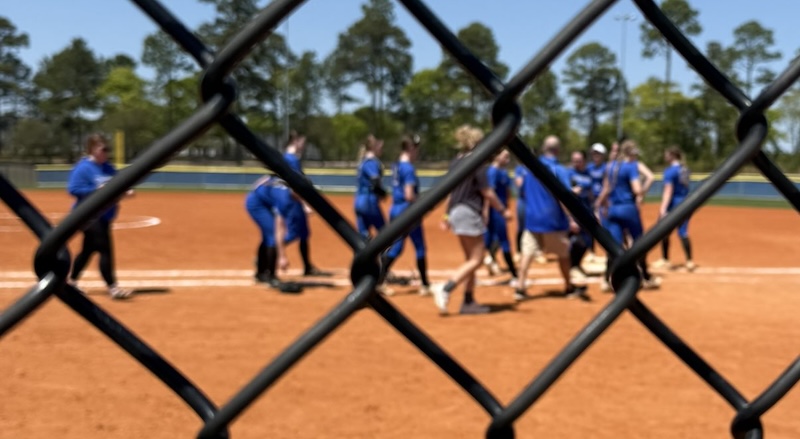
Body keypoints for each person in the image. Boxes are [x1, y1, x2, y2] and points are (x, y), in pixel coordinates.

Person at [431, 125, 510, 315]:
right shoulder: (477, 162)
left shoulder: (456, 161)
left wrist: (447, 215)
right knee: (478, 258)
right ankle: (446, 288)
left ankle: (468, 301)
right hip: (468, 211)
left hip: (456, 211)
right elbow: (487, 192)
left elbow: (451, 191)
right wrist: (503, 210)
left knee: (470, 259)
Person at [514, 136, 585, 301]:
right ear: (557, 150)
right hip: (552, 221)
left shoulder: (529, 168)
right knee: (563, 254)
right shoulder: (558, 169)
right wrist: (571, 219)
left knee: (527, 253)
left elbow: (522, 192)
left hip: (532, 218)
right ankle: (569, 287)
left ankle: (520, 287)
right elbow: (564, 197)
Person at [67, 133, 133, 300]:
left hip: (104, 216)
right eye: (103, 149)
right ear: (92, 149)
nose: (106, 152)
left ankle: (71, 281)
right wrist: (96, 191)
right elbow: (73, 189)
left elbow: (118, 185)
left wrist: (125, 191)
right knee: (105, 248)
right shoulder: (83, 168)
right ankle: (113, 287)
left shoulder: (109, 168)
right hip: (87, 215)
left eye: (107, 149)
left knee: (88, 250)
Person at [594, 140, 661, 291]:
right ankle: (645, 276)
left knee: (615, 247)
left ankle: (607, 280)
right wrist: (642, 192)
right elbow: (637, 189)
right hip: (628, 209)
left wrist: (598, 204)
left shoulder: (610, 166)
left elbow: (606, 188)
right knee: (639, 243)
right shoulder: (630, 167)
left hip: (612, 210)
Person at [379, 135, 431, 296]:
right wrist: (423, 202)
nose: (418, 152)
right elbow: (409, 194)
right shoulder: (408, 168)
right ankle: (424, 285)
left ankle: (380, 280)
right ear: (410, 149)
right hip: (408, 211)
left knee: (398, 246)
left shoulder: (396, 165)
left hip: (396, 208)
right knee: (416, 247)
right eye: (416, 149)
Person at [283, 131, 331, 277]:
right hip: (292, 200)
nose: (303, 145)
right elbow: (295, 185)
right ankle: (267, 253)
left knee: (303, 233)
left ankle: (307, 267)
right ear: (294, 141)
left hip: (294, 198)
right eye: (301, 141)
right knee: (293, 233)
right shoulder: (291, 159)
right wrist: (305, 204)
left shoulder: (290, 158)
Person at [246, 174, 293, 287]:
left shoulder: (287, 187)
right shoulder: (284, 198)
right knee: (272, 236)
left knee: (267, 237)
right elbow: (279, 227)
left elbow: (270, 177)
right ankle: (271, 276)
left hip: (263, 202)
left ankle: (261, 273)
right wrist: (282, 256)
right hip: (257, 205)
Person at [655, 145, 696, 271]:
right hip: (686, 202)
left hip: (673, 204)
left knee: (663, 230)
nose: (665, 156)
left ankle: (665, 259)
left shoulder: (670, 171)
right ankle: (689, 261)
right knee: (683, 231)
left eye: (667, 154)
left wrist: (663, 209)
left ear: (672, 155)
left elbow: (668, 190)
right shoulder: (685, 169)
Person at [482, 149, 519, 284]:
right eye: (505, 157)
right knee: (503, 240)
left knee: (494, 239)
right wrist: (486, 212)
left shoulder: (503, 172)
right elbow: (489, 194)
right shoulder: (492, 172)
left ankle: (490, 259)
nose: (508, 160)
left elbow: (509, 191)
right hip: (496, 211)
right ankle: (514, 274)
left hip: (501, 210)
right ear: (496, 157)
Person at [566, 150, 594, 290]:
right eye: (574, 160)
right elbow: (563, 193)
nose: (576, 163)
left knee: (588, 241)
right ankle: (572, 266)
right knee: (575, 241)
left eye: (579, 160)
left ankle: (576, 264)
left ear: (584, 161)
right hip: (574, 212)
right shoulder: (569, 173)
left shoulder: (589, 173)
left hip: (587, 211)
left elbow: (591, 193)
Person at [354, 134, 387, 238]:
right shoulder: (371, 162)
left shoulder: (363, 161)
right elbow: (375, 181)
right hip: (368, 202)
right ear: (373, 147)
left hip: (359, 200)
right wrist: (382, 193)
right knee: (385, 235)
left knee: (363, 237)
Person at [585, 143, 607, 262]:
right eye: (594, 153)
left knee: (605, 226)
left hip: (603, 201)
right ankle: (591, 252)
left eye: (598, 154)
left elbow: (607, 186)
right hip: (591, 201)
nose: (596, 156)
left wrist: (600, 200)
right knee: (591, 226)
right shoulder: (589, 168)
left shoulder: (606, 168)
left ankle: (609, 252)